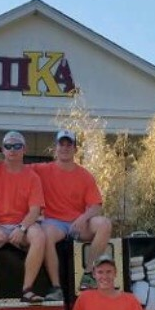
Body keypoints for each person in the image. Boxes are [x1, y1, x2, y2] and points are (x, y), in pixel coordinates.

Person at [35, 129, 112, 300]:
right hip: (54, 223)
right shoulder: (42, 169)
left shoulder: (84, 175)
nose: (64, 148)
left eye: (69, 144)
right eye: (61, 144)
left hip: (78, 223)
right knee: (45, 234)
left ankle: (89, 277)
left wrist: (83, 217)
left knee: (104, 224)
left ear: (75, 149)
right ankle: (56, 288)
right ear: (55, 148)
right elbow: (16, 167)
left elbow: (96, 206)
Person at [0, 130, 46, 305]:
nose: (12, 150)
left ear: (24, 149)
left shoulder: (32, 177)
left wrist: (21, 228)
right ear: (2, 150)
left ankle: (27, 290)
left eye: (17, 146)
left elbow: (34, 210)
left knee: (39, 236)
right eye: (8, 146)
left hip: (21, 224)